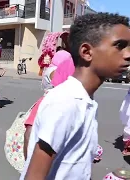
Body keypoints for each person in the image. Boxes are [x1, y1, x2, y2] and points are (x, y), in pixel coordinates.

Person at [21, 13, 130, 180]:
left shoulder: (84, 99)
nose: (128, 54)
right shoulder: (67, 102)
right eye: (119, 46)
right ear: (86, 52)